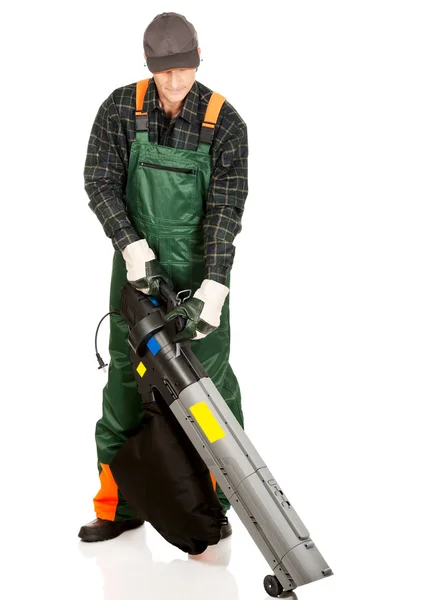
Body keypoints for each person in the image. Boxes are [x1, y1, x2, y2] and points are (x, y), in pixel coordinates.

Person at [79, 12, 248, 543]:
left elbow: (225, 211)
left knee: (210, 389)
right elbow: (100, 181)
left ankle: (217, 505)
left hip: (199, 274)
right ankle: (117, 507)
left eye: (185, 70)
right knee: (127, 387)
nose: (176, 84)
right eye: (165, 73)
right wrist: (131, 246)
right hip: (137, 270)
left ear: (198, 62)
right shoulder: (120, 110)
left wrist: (214, 287)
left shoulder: (225, 122)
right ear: (149, 66)